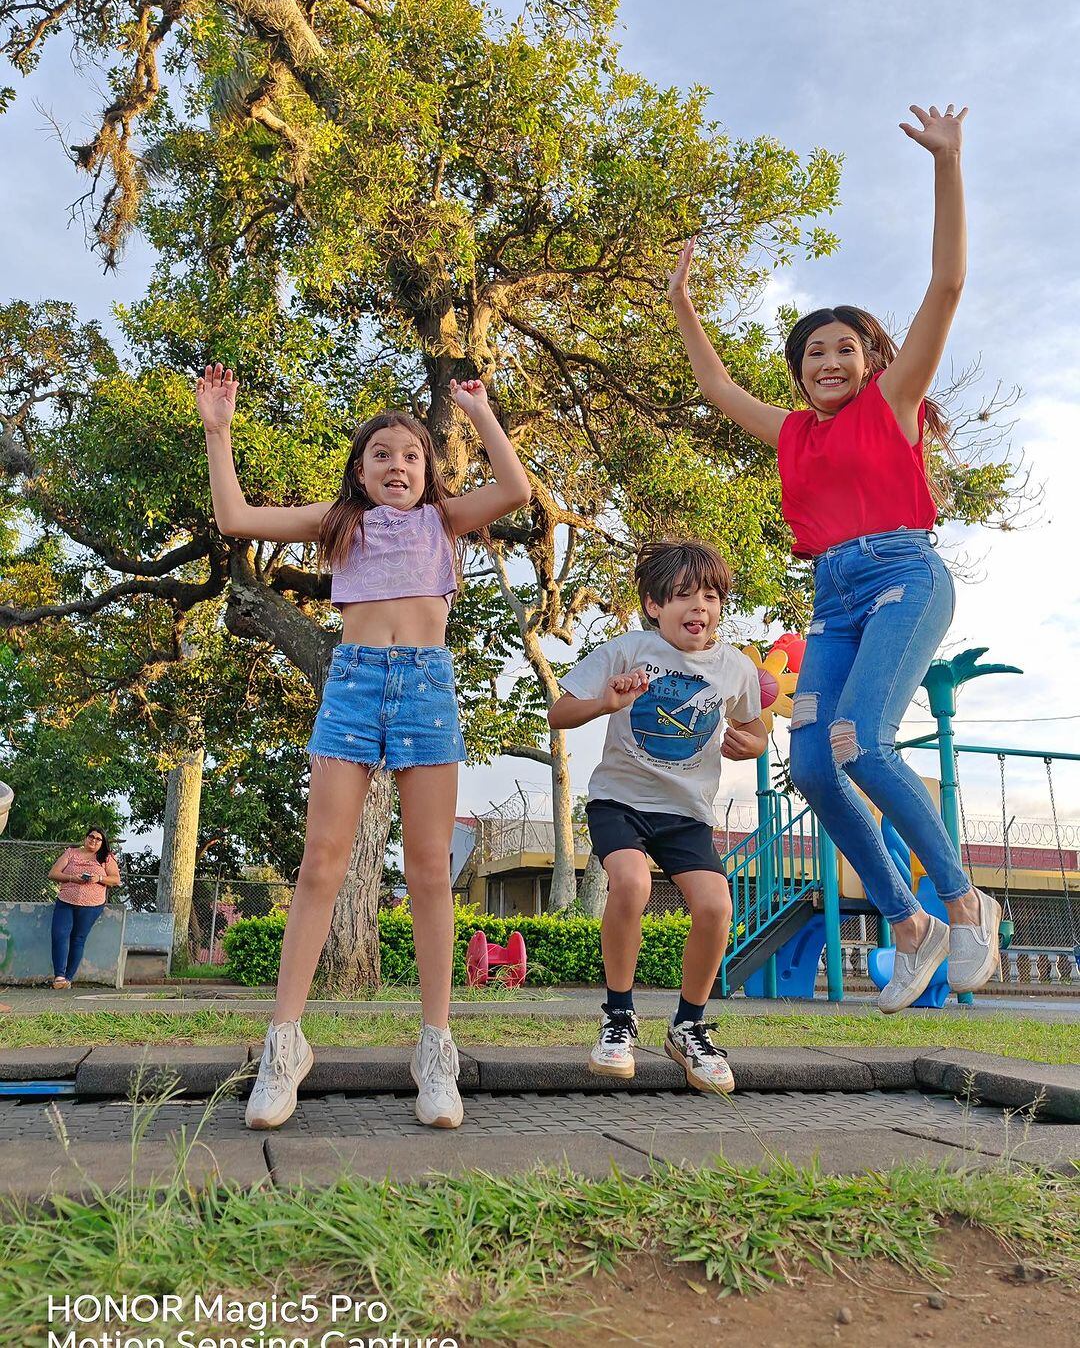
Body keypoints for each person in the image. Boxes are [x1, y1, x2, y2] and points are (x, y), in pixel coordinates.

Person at [668, 104, 1001, 1013]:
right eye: (814, 351)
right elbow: (713, 386)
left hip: (903, 577)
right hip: (835, 600)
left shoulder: (892, 403)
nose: (829, 360)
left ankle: (965, 902)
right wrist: (684, 307)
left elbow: (947, 284)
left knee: (865, 740)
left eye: (844, 348)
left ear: (869, 360)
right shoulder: (792, 435)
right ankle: (910, 924)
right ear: (800, 368)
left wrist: (947, 162)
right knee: (814, 767)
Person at [197, 364, 530, 1130]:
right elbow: (236, 517)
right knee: (322, 860)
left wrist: (480, 413)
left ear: (427, 471)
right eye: (381, 454)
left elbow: (515, 490)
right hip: (353, 686)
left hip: (426, 688)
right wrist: (219, 432)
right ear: (359, 469)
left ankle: (435, 1048)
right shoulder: (339, 523)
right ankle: (285, 1043)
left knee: (429, 871)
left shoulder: (442, 522)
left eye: (411, 455)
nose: (397, 465)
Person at [549, 540, 766, 1091]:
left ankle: (688, 1027)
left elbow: (755, 729)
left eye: (711, 596)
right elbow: (560, 711)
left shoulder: (736, 669)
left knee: (717, 904)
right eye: (684, 595)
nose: (700, 607)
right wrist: (606, 703)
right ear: (654, 605)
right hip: (620, 800)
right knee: (631, 882)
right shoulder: (627, 651)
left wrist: (752, 746)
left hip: (686, 812)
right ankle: (619, 1018)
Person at [47, 827, 122, 988]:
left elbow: (115, 880)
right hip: (65, 901)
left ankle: (68, 978)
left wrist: (98, 878)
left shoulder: (106, 857)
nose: (94, 840)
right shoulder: (71, 853)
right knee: (59, 935)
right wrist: (72, 878)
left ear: (103, 842)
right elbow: (53, 873)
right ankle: (59, 977)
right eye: (91, 837)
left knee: (78, 939)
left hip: (91, 905)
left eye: (98, 839)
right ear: (86, 838)